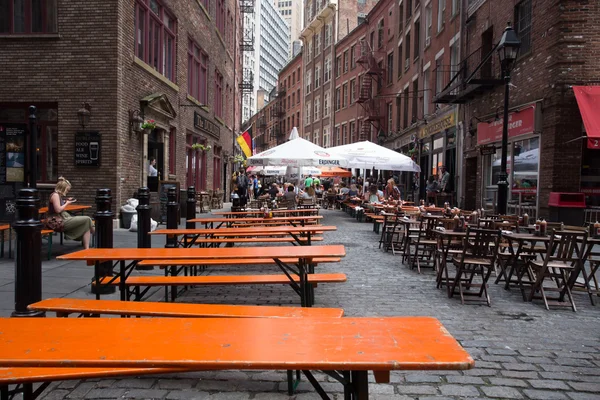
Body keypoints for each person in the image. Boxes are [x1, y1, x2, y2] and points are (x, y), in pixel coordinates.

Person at [48, 177, 95, 249]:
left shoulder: (58, 195)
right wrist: (67, 203)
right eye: (67, 190)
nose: (67, 192)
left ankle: (87, 249)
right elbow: (58, 210)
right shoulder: (55, 195)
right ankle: (95, 232)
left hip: (62, 218)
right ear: (62, 188)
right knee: (87, 219)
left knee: (87, 225)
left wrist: (65, 201)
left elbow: (58, 206)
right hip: (57, 221)